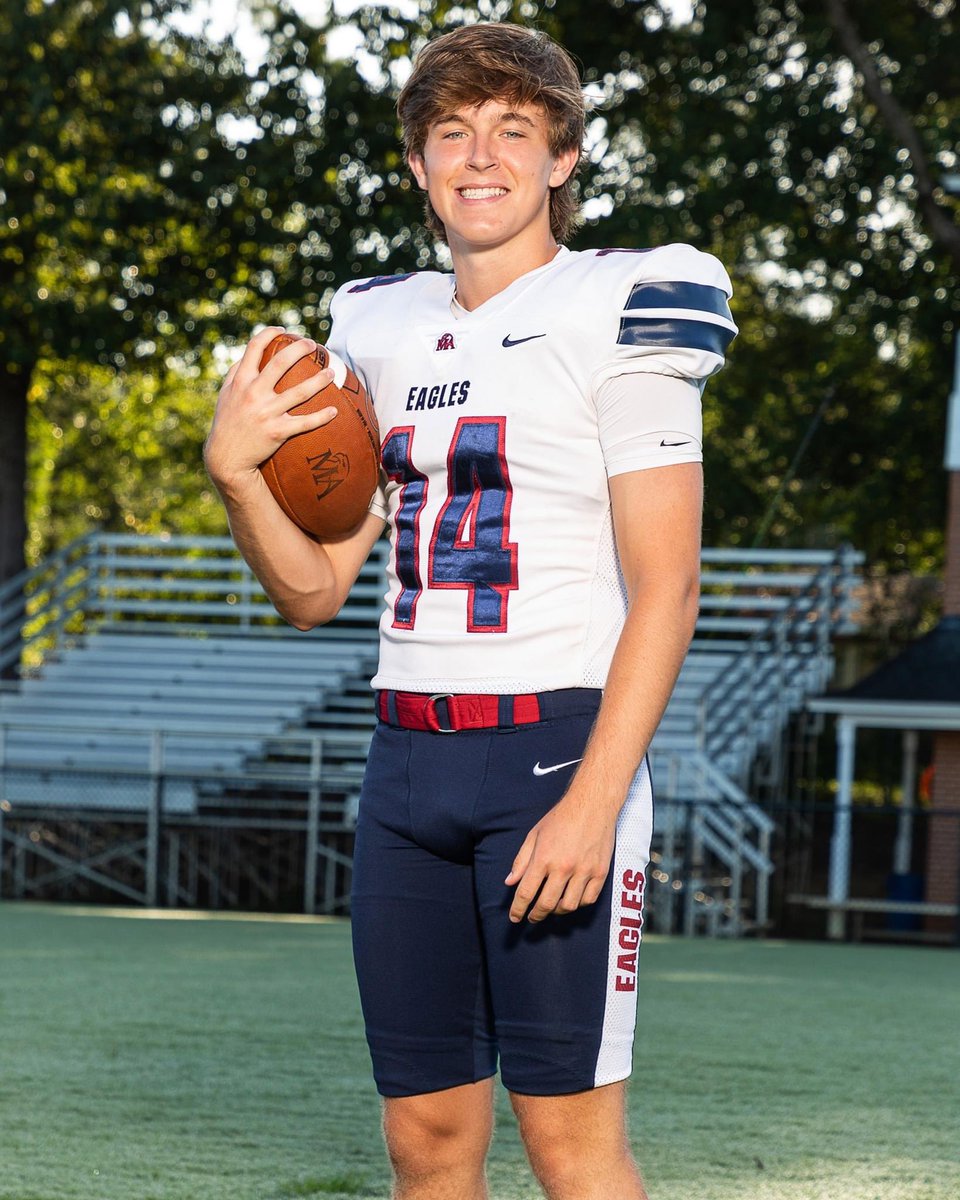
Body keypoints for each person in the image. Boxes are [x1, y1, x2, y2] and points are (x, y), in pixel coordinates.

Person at [205, 21, 736, 1200]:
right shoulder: (373, 328)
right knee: (426, 1146)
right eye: (453, 132)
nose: (481, 156)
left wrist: (595, 806)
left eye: (514, 130)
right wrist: (239, 475)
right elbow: (314, 592)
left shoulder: (628, 298)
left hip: (553, 753)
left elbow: (671, 586)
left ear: (562, 159)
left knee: (570, 1146)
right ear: (417, 163)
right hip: (403, 768)